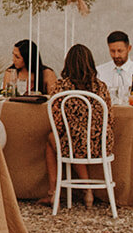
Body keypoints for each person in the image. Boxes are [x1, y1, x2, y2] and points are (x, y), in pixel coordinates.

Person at [44, 44, 115, 204]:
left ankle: (55, 192)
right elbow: (110, 119)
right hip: (102, 145)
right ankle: (86, 190)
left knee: (53, 138)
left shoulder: (62, 87)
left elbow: (58, 124)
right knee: (75, 141)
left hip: (76, 146)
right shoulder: (101, 87)